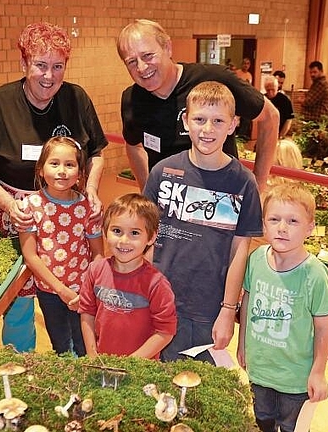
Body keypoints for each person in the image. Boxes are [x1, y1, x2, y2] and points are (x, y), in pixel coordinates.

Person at [0, 22, 108, 353]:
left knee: (72, 293)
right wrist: (9, 204)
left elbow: (96, 153)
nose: (49, 76)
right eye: (41, 65)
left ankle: (74, 362)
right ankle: (22, 365)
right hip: (17, 212)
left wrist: (93, 192)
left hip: (69, 213)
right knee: (17, 302)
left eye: (58, 67)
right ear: (24, 63)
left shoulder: (76, 97)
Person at [144, 81, 263, 363]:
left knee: (201, 388)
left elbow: (240, 252)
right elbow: (146, 238)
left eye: (218, 121)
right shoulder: (162, 172)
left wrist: (227, 309)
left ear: (233, 125)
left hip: (208, 309)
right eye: (199, 119)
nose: (207, 129)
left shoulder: (243, 183)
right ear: (186, 121)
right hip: (161, 301)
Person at [117, 19, 279, 192]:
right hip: (170, 207)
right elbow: (133, 145)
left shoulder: (214, 78)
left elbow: (270, 116)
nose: (141, 68)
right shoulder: (132, 99)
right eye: (132, 62)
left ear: (168, 48)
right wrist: (147, 190)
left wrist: (259, 184)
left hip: (221, 201)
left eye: (148, 55)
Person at [237, 183, 328, 432]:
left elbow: (323, 328)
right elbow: (247, 300)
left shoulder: (314, 274)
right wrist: (242, 344)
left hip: (295, 378)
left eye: (292, 221)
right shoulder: (256, 258)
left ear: (310, 228)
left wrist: (318, 372)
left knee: (293, 427)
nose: (282, 228)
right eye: (274, 219)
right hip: (259, 370)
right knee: (262, 421)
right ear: (264, 224)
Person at [18, 136, 104, 356]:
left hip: (83, 292)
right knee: (61, 346)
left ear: (80, 174)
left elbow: (97, 254)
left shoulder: (87, 207)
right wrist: (61, 291)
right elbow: (31, 256)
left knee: (86, 344)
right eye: (54, 163)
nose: (62, 171)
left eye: (70, 165)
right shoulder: (30, 206)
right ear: (40, 169)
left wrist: (92, 288)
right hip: (49, 291)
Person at [79, 193, 177, 359]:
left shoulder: (157, 283)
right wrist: (92, 354)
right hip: (102, 364)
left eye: (135, 233)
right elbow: (87, 312)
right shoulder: (95, 270)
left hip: (141, 369)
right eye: (117, 231)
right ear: (105, 232)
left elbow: (165, 331)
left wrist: (130, 364)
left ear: (151, 237)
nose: (124, 240)